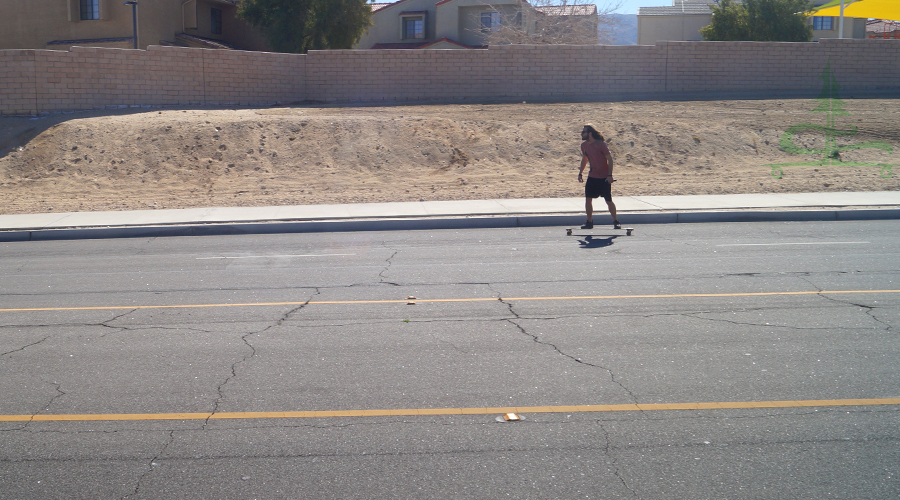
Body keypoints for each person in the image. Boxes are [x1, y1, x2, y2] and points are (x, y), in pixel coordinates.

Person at [577, 124, 620, 229]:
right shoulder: (583, 145)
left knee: (608, 200)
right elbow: (584, 159)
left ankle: (616, 221)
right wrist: (580, 172)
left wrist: (610, 175)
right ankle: (589, 222)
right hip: (592, 177)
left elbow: (610, 160)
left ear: (590, 133)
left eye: (584, 132)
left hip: (604, 178)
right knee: (588, 199)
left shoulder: (601, 145)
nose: (581, 134)